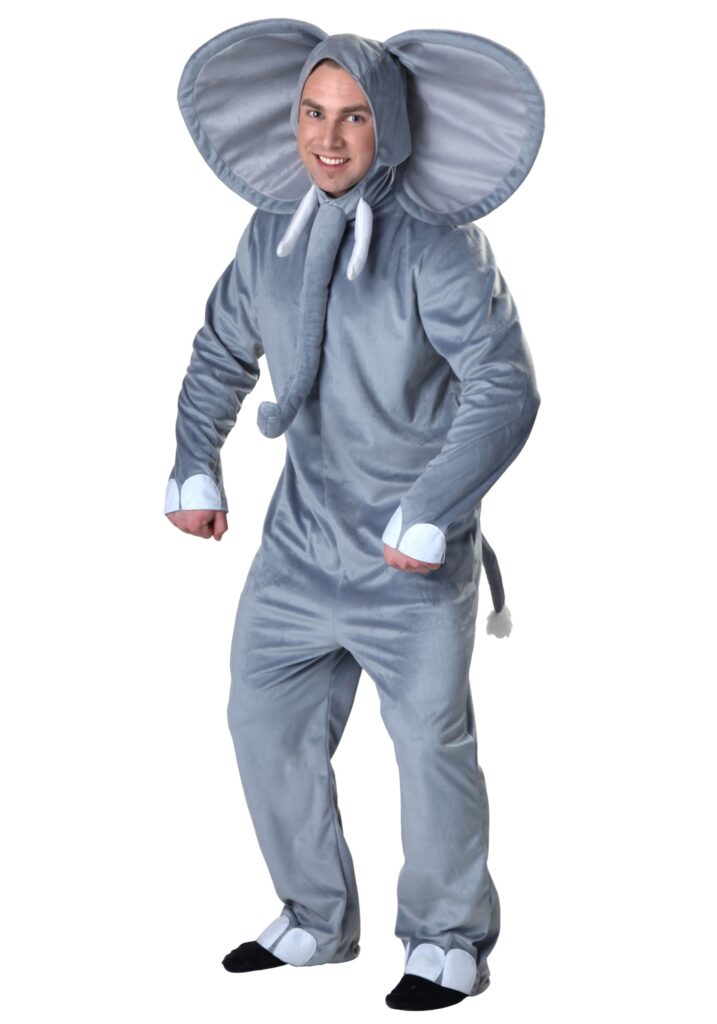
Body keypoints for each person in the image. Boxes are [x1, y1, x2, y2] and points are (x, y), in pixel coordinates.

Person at [164, 19, 544, 1012]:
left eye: (355, 117)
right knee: (263, 719)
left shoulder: (441, 250)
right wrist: (195, 460)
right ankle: (313, 915)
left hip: (409, 558)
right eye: (312, 113)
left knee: (428, 744)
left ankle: (448, 940)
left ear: (394, 127)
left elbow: (504, 387)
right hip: (299, 544)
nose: (328, 140)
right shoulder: (270, 233)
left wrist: (432, 509)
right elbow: (221, 349)